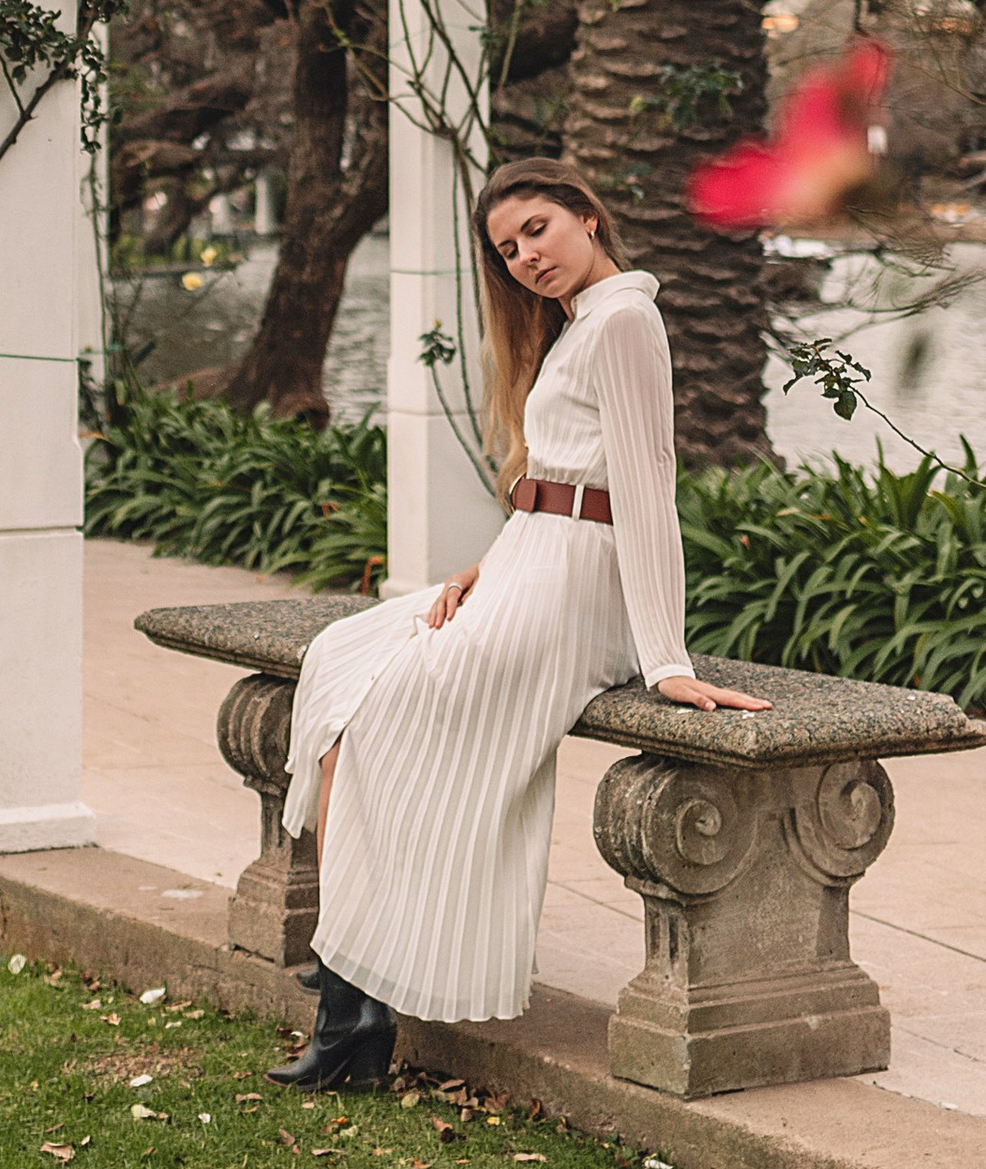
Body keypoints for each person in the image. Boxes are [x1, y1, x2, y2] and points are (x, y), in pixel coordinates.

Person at [270, 160, 769, 1090]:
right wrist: (484, 569)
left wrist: (664, 657)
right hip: (532, 563)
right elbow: (556, 491)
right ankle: (352, 987)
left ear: (588, 214)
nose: (525, 257)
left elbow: (645, 490)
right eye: (507, 249)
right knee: (344, 662)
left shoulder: (624, 319)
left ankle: (348, 999)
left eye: (537, 229)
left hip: (576, 590)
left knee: (380, 714)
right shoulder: (582, 324)